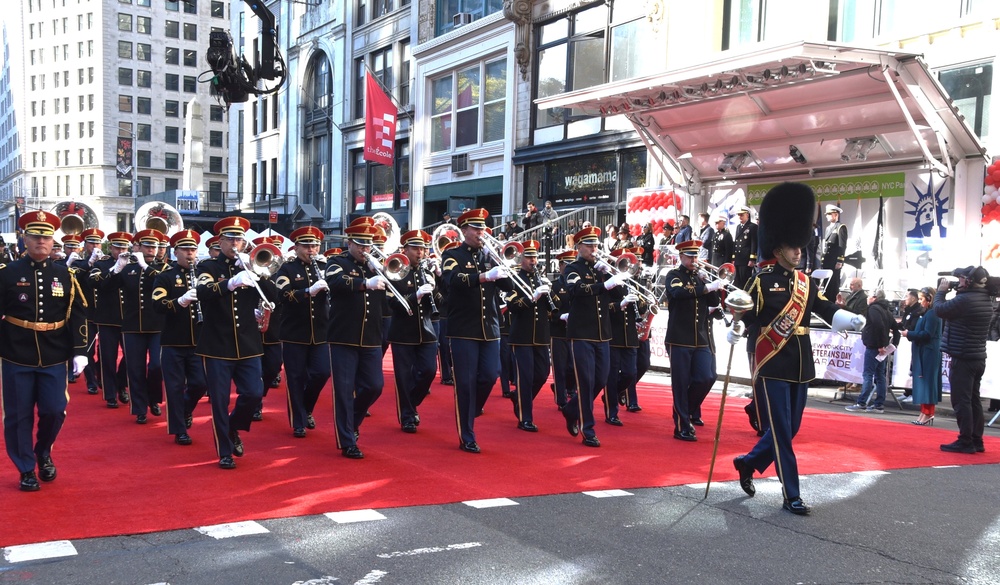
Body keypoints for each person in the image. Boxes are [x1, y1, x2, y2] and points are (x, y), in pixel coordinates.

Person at [732, 182, 863, 515]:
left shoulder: (806, 282)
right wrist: (735, 323)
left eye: (800, 248)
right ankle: (792, 494)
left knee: (791, 428)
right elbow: (748, 313)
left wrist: (846, 317)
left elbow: (821, 307)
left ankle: (748, 463)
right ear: (778, 249)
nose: (798, 253)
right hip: (773, 359)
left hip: (801, 363)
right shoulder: (761, 280)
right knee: (781, 431)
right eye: (792, 248)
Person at [1, 211, 89, 491]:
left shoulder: (65, 274)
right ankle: (26, 468)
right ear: (24, 239)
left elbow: (77, 313)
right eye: (36, 236)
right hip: (16, 352)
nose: (42, 241)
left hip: (54, 352)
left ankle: (43, 450)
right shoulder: (8, 274)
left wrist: (80, 350)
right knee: (18, 415)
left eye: (47, 237)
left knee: (55, 410)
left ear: (53, 242)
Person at [196, 216, 278, 469]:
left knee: (253, 393)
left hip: (247, 343)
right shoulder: (207, 267)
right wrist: (229, 283)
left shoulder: (252, 265)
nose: (235, 243)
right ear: (220, 241)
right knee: (220, 401)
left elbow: (274, 296)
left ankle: (232, 428)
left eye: (239, 239)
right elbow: (203, 292)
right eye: (230, 239)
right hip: (218, 344)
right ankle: (224, 452)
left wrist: (261, 275)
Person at [441, 209, 513, 453]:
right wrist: (483, 275)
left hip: (490, 327)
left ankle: (470, 411)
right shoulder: (453, 254)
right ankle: (467, 434)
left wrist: (499, 262)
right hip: (464, 329)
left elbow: (508, 284)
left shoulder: (489, 255)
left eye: (483, 229)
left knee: (490, 375)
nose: (481, 233)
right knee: (465, 383)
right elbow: (452, 279)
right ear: (464, 230)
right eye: (475, 229)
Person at [559, 226, 630, 448]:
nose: (593, 249)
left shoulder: (602, 269)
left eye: (596, 245)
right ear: (579, 247)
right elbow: (576, 290)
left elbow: (618, 293)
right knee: (587, 381)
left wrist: (610, 274)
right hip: (581, 333)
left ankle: (572, 408)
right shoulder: (573, 268)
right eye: (589, 245)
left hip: (603, 334)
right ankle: (588, 429)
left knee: (601, 379)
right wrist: (603, 284)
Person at [325, 219, 386, 459]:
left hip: (371, 336)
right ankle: (347, 440)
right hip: (344, 336)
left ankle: (352, 422)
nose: (365, 250)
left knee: (374, 386)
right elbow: (335, 282)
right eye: (360, 245)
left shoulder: (376, 266)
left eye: (368, 246)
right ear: (350, 243)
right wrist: (364, 283)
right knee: (343, 390)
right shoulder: (336, 262)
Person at [151, 229, 208, 446]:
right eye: (185, 249)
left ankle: (184, 410)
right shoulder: (164, 277)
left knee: (200, 384)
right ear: (176, 252)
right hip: (173, 340)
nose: (190, 254)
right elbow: (157, 304)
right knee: (174, 387)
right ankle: (179, 430)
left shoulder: (203, 275)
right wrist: (179, 302)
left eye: (193, 249)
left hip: (197, 341)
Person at [273, 226, 330, 438]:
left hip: (321, 331)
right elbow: (282, 295)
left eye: (315, 245)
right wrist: (307, 292)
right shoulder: (286, 270)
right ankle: (298, 421)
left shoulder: (325, 266)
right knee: (296, 378)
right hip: (294, 332)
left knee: (322, 372)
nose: (311, 250)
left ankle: (306, 408)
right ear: (296, 247)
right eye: (306, 246)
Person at [664, 240, 724, 441]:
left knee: (706, 377)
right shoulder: (674, 275)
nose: (693, 260)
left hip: (700, 337)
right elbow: (678, 293)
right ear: (680, 256)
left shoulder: (700, 278)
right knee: (680, 383)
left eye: (695, 256)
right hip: (679, 337)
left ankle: (685, 411)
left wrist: (712, 286)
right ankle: (682, 425)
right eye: (689, 256)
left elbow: (714, 303)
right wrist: (706, 288)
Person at [109, 229, 169, 424]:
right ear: (139, 247)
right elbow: (106, 287)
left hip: (158, 326)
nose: (152, 249)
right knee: (135, 368)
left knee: (156, 366)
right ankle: (140, 407)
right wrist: (117, 268)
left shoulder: (164, 269)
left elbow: (164, 282)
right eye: (147, 246)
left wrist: (145, 266)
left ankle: (154, 399)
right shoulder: (128, 268)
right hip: (132, 325)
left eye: (155, 246)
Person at [934, 265, 994, 453]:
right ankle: (977, 439)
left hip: (963, 356)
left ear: (968, 281)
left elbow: (940, 310)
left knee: (961, 401)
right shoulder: (984, 297)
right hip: (977, 356)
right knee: (974, 400)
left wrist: (941, 292)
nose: (958, 281)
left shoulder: (965, 300)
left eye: (960, 278)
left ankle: (965, 440)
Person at [386, 229, 440, 434]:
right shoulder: (394, 271)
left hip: (426, 330)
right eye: (416, 248)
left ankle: (411, 403)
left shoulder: (427, 272)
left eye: (423, 249)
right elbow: (392, 303)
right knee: (403, 376)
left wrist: (437, 283)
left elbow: (441, 302)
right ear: (405, 249)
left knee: (428, 371)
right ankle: (407, 415)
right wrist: (415, 296)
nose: (420, 253)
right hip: (403, 331)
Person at [506, 240, 551, 432]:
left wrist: (549, 291)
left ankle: (520, 399)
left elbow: (552, 306)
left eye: (535, 257)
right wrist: (531, 297)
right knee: (524, 377)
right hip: (522, 335)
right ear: (521, 258)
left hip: (540, 335)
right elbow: (513, 306)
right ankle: (525, 417)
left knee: (542, 373)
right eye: (529, 257)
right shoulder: (514, 279)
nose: (533, 260)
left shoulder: (540, 278)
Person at [90, 231, 131, 408]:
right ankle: (109, 393)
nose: (121, 250)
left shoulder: (134, 264)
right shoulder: (102, 264)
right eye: (117, 247)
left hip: (129, 318)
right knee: (107, 357)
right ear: (111, 247)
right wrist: (115, 270)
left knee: (130, 357)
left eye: (124, 247)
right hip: (107, 318)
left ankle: (121, 384)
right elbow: (96, 283)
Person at [606, 246, 645, 426]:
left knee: (630, 373)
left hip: (630, 334)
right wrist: (620, 304)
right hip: (613, 333)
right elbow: (603, 307)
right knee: (612, 375)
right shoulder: (607, 280)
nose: (625, 266)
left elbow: (643, 307)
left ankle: (614, 393)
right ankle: (611, 411)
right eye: (622, 262)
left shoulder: (633, 283)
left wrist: (642, 301)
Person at [845, 289, 894, 414]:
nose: (867, 298)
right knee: (880, 376)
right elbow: (895, 327)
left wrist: (881, 344)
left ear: (875, 297)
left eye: (870, 296)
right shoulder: (886, 310)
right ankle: (879, 405)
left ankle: (862, 403)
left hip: (874, 346)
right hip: (880, 348)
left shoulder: (873, 309)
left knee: (868, 375)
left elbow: (879, 326)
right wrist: (892, 345)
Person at [902, 287, 941, 425]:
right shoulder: (926, 313)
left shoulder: (932, 314)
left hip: (928, 353)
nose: (920, 302)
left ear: (929, 299)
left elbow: (927, 334)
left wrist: (909, 334)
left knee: (927, 384)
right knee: (923, 382)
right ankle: (924, 412)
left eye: (921, 299)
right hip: (924, 352)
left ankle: (928, 413)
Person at [548, 249, 577, 409]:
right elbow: (549, 311)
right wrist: (560, 316)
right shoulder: (554, 286)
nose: (570, 268)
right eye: (567, 264)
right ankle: (561, 400)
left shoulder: (576, 284)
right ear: (560, 266)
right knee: (560, 367)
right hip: (558, 331)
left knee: (573, 367)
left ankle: (571, 389)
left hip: (574, 331)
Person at [896, 289, 925, 402]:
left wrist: (907, 331)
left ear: (913, 298)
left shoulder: (919, 311)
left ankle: (914, 393)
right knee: (906, 369)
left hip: (913, 341)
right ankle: (907, 392)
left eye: (907, 296)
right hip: (906, 342)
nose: (905, 299)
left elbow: (913, 326)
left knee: (914, 369)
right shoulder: (908, 310)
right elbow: (904, 323)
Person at [821, 204, 848, 300]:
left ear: (836, 215)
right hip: (827, 260)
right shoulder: (828, 228)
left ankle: (832, 305)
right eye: (827, 214)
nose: (827, 215)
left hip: (834, 261)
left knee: (833, 285)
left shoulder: (841, 227)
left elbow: (842, 246)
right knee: (826, 285)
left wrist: (840, 260)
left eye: (829, 213)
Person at [733, 206, 758, 289]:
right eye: (739, 215)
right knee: (738, 280)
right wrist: (733, 257)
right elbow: (736, 243)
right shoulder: (738, 227)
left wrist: (752, 259)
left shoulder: (752, 227)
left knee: (745, 280)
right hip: (738, 258)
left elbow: (754, 243)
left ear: (747, 215)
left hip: (746, 258)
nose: (740, 217)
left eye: (742, 215)